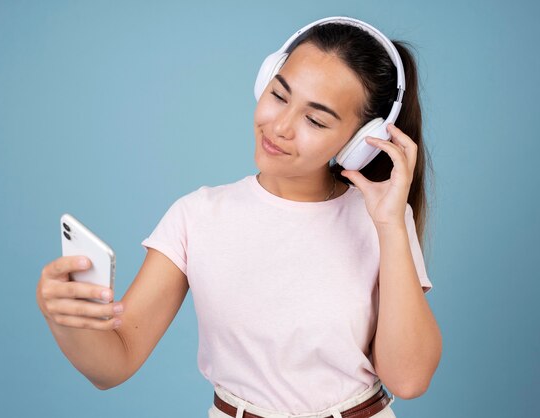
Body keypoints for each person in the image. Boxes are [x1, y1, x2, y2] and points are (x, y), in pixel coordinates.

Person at [36, 16, 442, 418]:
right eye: (279, 95)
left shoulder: (382, 218)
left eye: (315, 120)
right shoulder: (195, 217)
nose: (279, 126)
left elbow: (408, 380)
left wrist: (390, 226)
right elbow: (115, 363)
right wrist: (64, 318)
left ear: (359, 142)